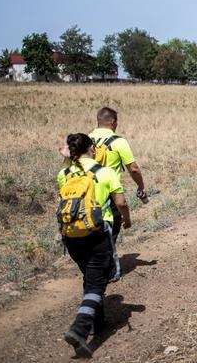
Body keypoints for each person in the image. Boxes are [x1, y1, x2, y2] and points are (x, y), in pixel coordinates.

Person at [59, 133, 131, 358]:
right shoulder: (105, 172)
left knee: (91, 276)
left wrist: (67, 159)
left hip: (71, 234)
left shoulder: (64, 173)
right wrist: (127, 219)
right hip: (99, 231)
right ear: (92, 148)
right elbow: (121, 202)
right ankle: (80, 329)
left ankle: (98, 321)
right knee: (96, 281)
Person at [88, 107, 147, 241]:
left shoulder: (84, 140)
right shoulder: (118, 142)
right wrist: (141, 187)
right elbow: (134, 169)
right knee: (108, 238)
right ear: (113, 122)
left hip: (86, 192)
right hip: (109, 196)